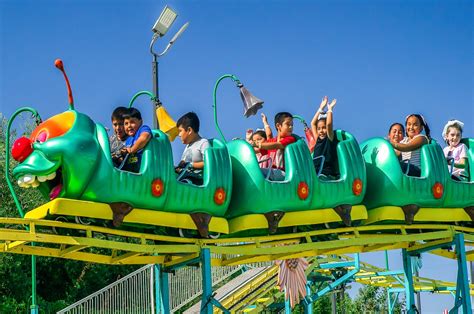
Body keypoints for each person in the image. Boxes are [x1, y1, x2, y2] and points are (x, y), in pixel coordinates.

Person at [252, 112, 295, 180]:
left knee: (257, 172)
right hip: (272, 173)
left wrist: (258, 144)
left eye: (292, 125)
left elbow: (278, 145)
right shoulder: (271, 141)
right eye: (288, 124)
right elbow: (256, 150)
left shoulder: (290, 139)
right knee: (251, 171)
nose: (291, 127)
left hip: (283, 174)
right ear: (278, 126)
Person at [175, 112, 209, 185]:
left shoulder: (203, 143)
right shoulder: (188, 146)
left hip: (196, 181)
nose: (179, 135)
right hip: (185, 178)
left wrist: (190, 165)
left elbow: (208, 163)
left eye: (180, 131)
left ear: (189, 130)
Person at [310, 96, 339, 179]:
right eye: (319, 129)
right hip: (315, 174)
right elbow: (312, 123)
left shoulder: (329, 138)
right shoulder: (317, 140)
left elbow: (329, 124)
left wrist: (330, 109)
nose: (321, 131)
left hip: (326, 174)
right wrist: (321, 108)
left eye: (323, 128)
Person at [121, 108, 152, 173]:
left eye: (132, 122)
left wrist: (132, 150)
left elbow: (144, 138)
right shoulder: (128, 140)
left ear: (140, 122)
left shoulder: (143, 129)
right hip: (131, 173)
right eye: (126, 123)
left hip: (144, 172)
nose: (129, 126)